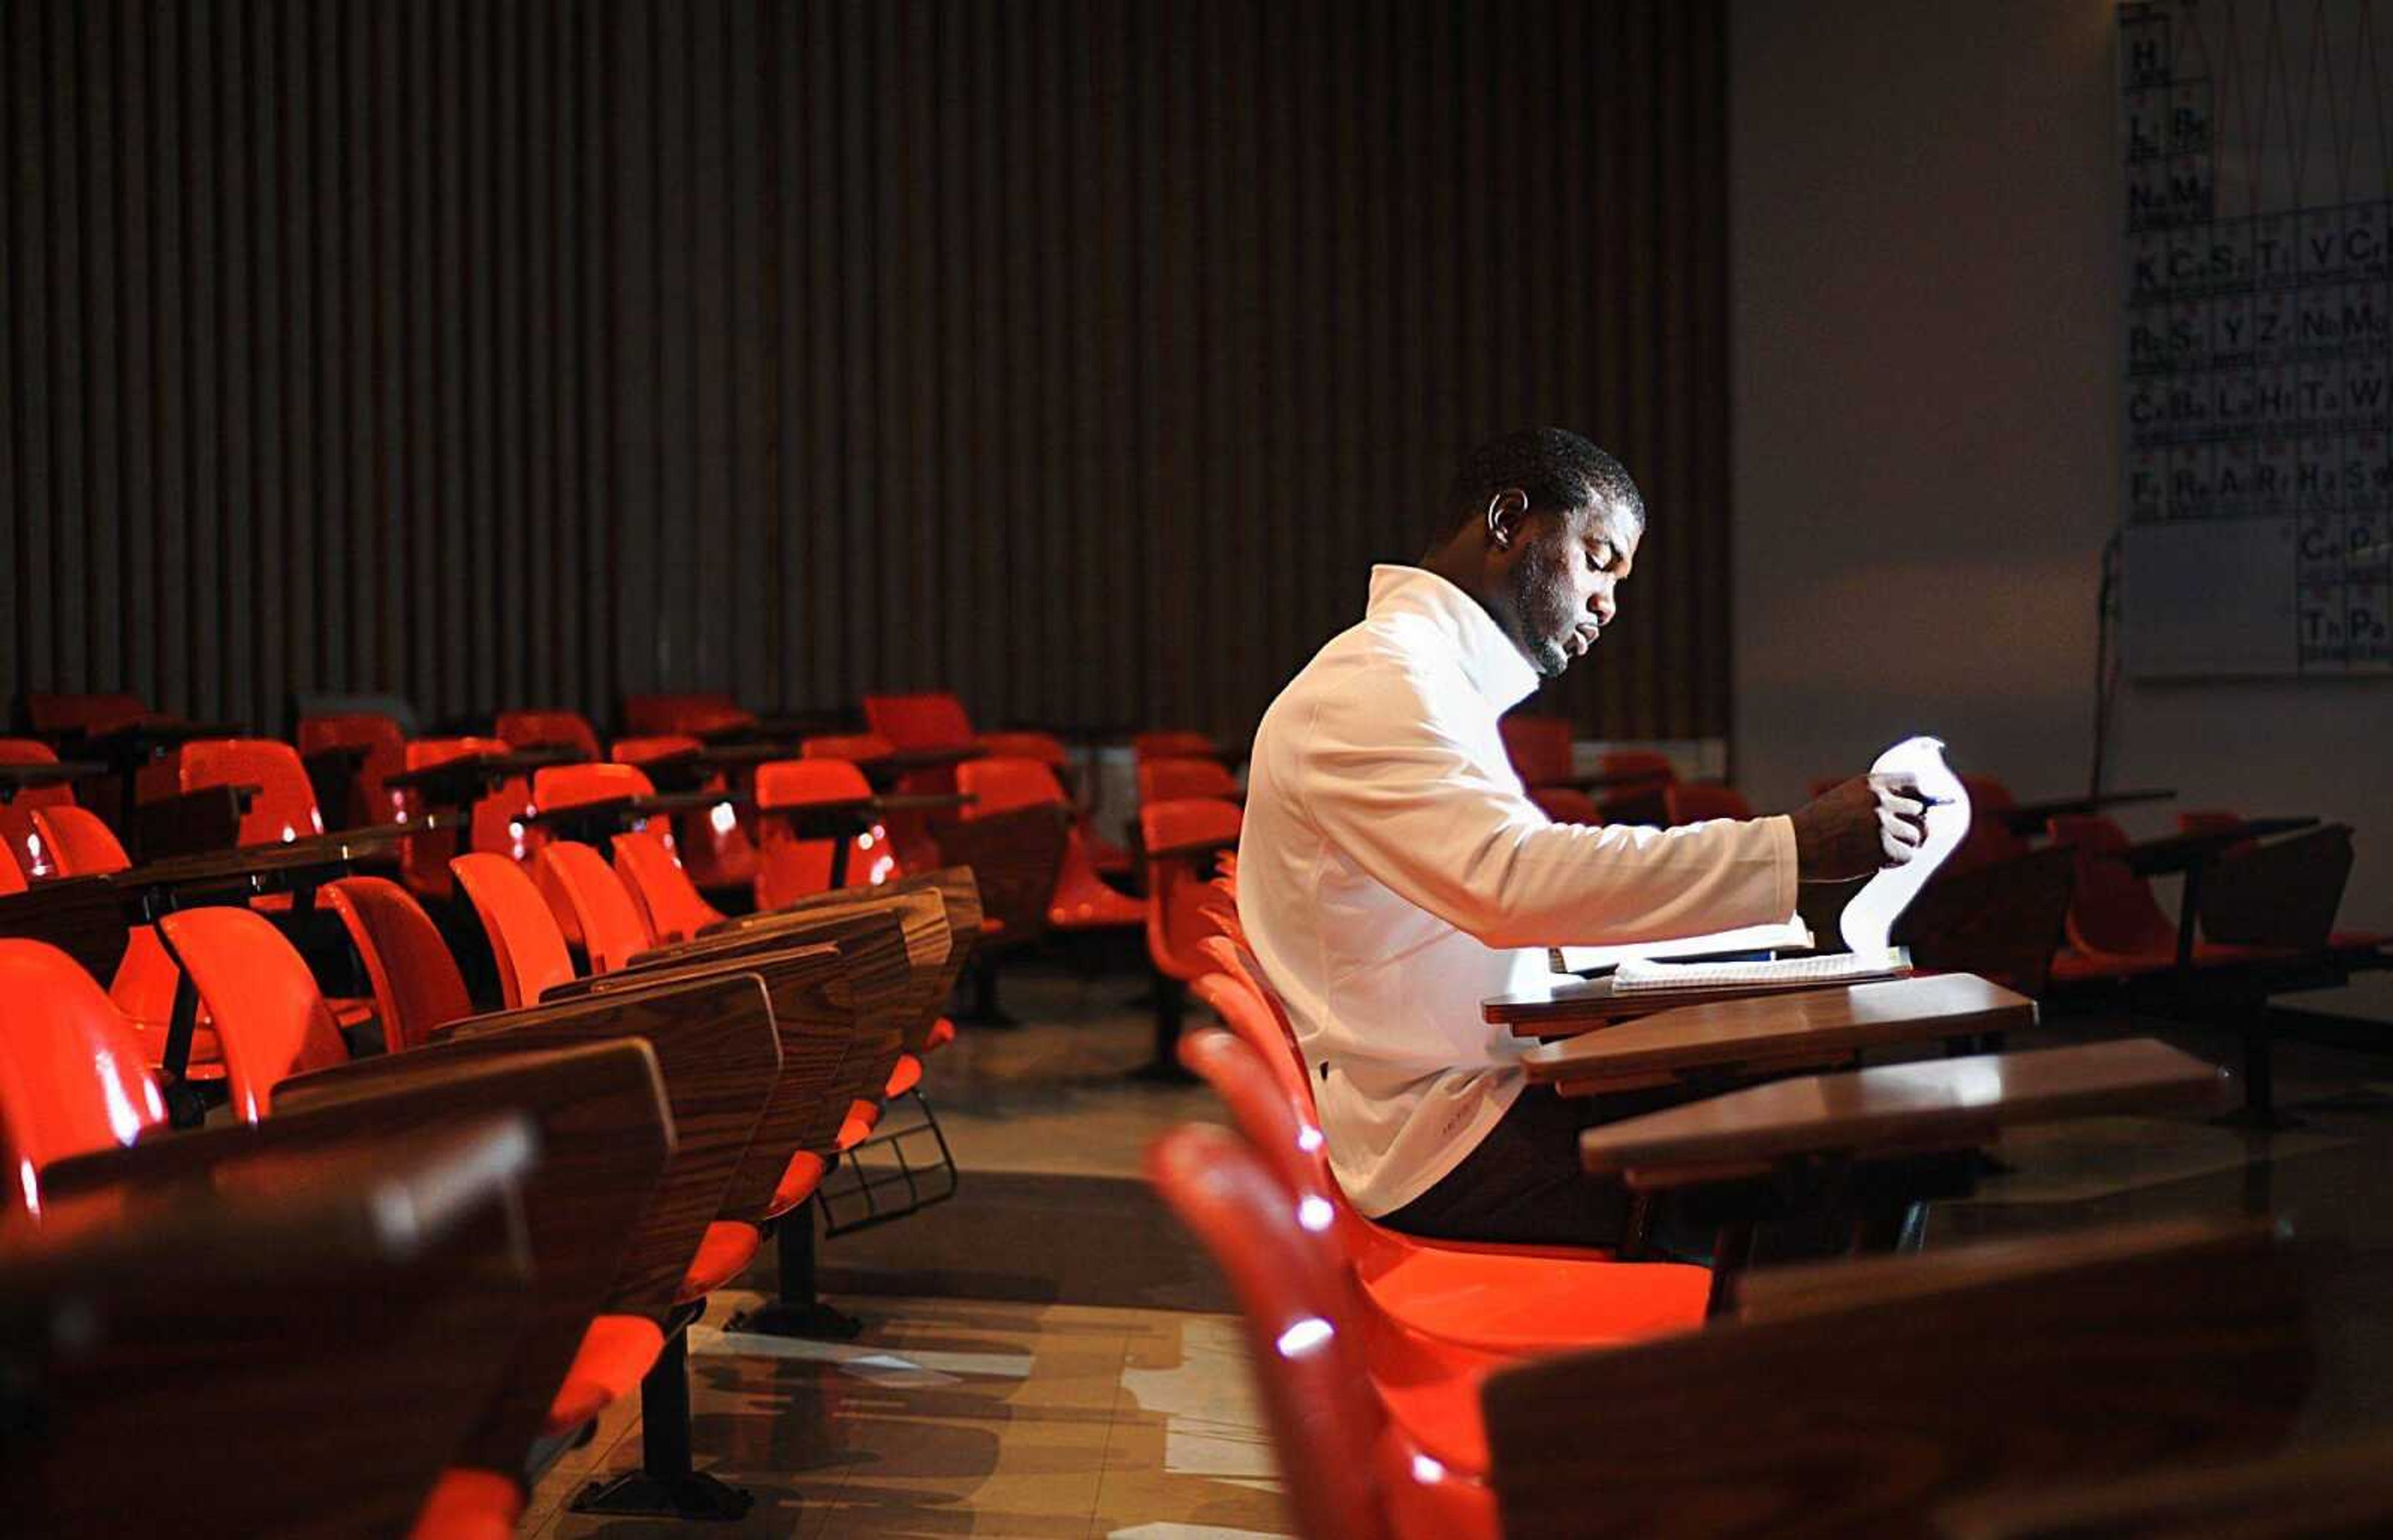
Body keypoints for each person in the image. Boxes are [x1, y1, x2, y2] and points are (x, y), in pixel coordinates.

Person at [1234, 427, 1928, 1249]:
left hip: (1481, 1087)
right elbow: (1512, 882)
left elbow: (1506, 898)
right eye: (1599, 559)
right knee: (1844, 1158)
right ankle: (1750, 1375)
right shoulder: (1378, 682)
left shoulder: (1420, 678)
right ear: (1508, 522)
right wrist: (1794, 848)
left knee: (1833, 1109)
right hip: (1447, 1141)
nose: (1609, 604)